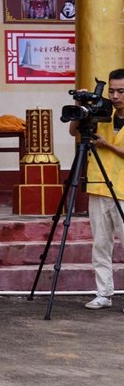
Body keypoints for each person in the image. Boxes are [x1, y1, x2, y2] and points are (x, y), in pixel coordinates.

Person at [70, 69, 124, 311]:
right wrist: (80, 106)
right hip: (98, 184)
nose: (115, 96)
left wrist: (106, 146)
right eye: (112, 90)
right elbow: (74, 131)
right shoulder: (102, 115)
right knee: (101, 244)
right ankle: (103, 292)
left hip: (122, 189)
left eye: (121, 91)